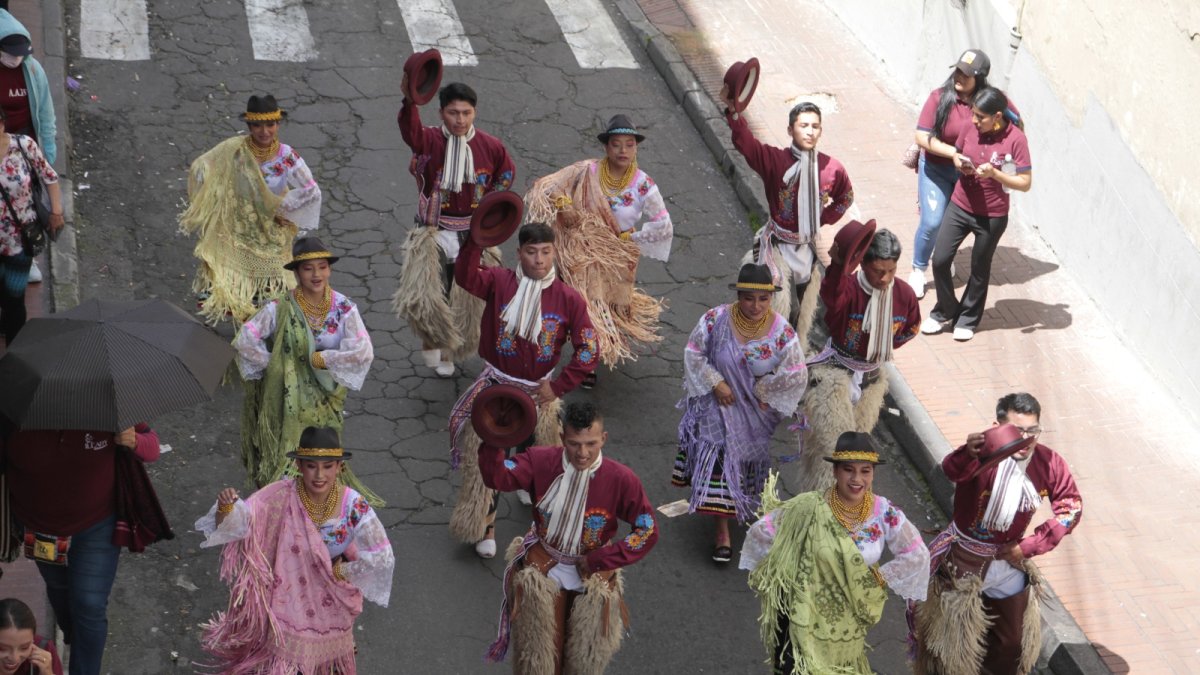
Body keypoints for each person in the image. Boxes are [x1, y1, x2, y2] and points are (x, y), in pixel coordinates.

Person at [448, 221, 598, 558]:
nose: (539, 260)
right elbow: (465, 277)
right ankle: (485, 524)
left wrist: (557, 386)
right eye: (532, 252)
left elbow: (588, 350)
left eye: (546, 252)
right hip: (497, 388)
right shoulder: (499, 281)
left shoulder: (569, 299)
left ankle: (541, 524)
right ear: (520, 253)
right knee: (488, 456)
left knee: (540, 460)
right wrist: (475, 241)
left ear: (554, 252)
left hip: (537, 395)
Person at [196, 426, 394, 674]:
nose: (319, 475)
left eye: (328, 466)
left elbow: (383, 556)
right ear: (299, 465)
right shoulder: (279, 495)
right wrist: (227, 507)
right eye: (311, 465)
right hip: (288, 598)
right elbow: (243, 522)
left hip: (333, 595)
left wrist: (342, 571)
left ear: (340, 468)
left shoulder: (353, 504)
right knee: (289, 663)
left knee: (327, 665)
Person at [478, 402, 658, 674]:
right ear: (562, 438)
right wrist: (495, 438)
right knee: (539, 660)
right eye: (574, 444)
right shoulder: (539, 460)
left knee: (583, 662)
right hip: (543, 570)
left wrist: (601, 558)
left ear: (604, 439)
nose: (583, 453)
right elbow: (499, 477)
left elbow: (647, 530)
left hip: (593, 576)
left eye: (591, 443)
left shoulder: (622, 479)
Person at [911, 393, 1082, 675]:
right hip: (962, 563)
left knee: (1011, 644)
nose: (1026, 439)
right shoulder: (980, 456)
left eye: (1033, 431)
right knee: (949, 650)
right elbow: (952, 470)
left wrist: (1029, 546)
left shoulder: (1049, 462)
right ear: (997, 426)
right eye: (1018, 430)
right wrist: (968, 451)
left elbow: (1071, 506)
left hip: (1008, 561)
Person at [739, 432, 930, 674]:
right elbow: (761, 532)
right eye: (848, 469)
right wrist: (790, 572)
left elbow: (917, 554)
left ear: (873, 473)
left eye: (865, 471)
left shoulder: (884, 513)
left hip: (847, 621)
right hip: (803, 612)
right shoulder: (808, 506)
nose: (857, 479)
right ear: (835, 471)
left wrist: (876, 578)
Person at [672, 263, 807, 562]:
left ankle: (737, 507)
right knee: (719, 459)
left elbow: (796, 372)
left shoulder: (782, 332)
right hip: (716, 407)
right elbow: (693, 352)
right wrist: (715, 382)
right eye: (748, 298)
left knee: (741, 466)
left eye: (763, 299)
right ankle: (722, 530)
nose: (756, 306)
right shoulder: (715, 319)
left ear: (771, 299)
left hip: (753, 414)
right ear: (738, 295)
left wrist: (765, 393)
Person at [1, 423, 160, 675]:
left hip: (97, 524)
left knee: (89, 605)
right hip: (40, 527)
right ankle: (78, 638)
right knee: (61, 592)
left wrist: (134, 441)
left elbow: (152, 447)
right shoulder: (15, 407)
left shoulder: (104, 403)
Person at [524, 115, 672, 382]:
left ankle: (593, 349)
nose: (623, 150)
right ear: (607, 147)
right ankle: (586, 362)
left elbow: (663, 225)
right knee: (584, 306)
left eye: (629, 145)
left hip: (616, 256)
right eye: (616, 144)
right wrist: (563, 205)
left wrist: (630, 239)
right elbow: (550, 185)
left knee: (606, 308)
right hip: (580, 253)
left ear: (636, 148)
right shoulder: (587, 171)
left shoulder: (644, 185)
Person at [234, 236, 380, 505]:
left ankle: (317, 517)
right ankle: (282, 512)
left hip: (324, 402)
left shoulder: (344, 308)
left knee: (321, 463)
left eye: (322, 267)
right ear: (297, 273)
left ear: (329, 270)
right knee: (285, 458)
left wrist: (323, 359)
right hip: (284, 403)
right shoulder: (280, 307)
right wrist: (277, 364)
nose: (316, 274)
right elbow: (245, 339)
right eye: (308, 268)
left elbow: (362, 351)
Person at [395, 80, 515, 378]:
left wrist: (490, 207)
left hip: (472, 236)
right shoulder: (429, 141)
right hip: (432, 232)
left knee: (463, 293)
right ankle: (431, 338)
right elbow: (410, 131)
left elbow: (506, 175)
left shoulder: (491, 146)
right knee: (428, 295)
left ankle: (448, 348)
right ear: (441, 114)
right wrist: (410, 101)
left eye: (466, 113)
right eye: (453, 113)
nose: (460, 120)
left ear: (474, 113)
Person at [719, 87, 854, 341]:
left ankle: (790, 357)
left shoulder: (832, 169)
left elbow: (846, 197)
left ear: (821, 131)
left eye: (815, 126)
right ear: (790, 130)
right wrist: (735, 114)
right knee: (772, 309)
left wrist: (820, 220)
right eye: (803, 125)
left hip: (806, 251)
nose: (810, 131)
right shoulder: (774, 160)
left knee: (800, 313)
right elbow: (748, 145)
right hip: (777, 249)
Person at [794, 228, 920, 494]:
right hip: (833, 378)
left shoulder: (905, 295)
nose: (885, 278)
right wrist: (839, 264)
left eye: (891, 271)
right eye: (878, 272)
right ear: (863, 264)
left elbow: (911, 328)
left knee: (856, 459)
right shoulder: (847, 288)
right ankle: (817, 507)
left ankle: (845, 515)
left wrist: (882, 347)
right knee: (833, 455)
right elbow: (831, 294)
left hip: (871, 382)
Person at [179, 94, 322, 324]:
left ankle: (264, 322)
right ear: (249, 126)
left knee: (273, 277)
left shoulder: (286, 156)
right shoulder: (235, 151)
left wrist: (282, 209)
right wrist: (216, 193)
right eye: (257, 125)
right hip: (238, 225)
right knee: (235, 272)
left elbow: (311, 190)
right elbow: (201, 168)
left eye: (270, 124)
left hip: (271, 229)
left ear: (278, 124)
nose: (264, 131)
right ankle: (242, 316)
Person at [920, 87, 1031, 342]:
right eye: (974, 114)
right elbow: (958, 153)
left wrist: (995, 174)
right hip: (960, 205)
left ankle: (968, 319)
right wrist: (959, 163)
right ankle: (946, 310)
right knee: (940, 260)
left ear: (998, 116)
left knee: (979, 269)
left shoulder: (1016, 139)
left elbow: (1024, 182)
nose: (974, 121)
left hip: (991, 215)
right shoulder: (971, 128)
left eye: (981, 117)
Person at [909, 49, 1013, 299]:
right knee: (932, 222)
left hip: (968, 176)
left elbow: (1016, 124)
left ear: (980, 78)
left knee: (949, 225)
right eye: (957, 71)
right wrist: (953, 154)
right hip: (936, 169)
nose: (959, 77)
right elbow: (922, 136)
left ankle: (943, 257)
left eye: (966, 74)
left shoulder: (992, 101)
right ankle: (918, 268)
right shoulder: (939, 98)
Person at [0, 10, 59, 286]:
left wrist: (48, 152)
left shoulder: (33, 71)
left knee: (27, 204)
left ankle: (26, 255)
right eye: (10, 53)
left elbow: (46, 115)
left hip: (25, 148)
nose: (16, 59)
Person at [0, 107, 61, 345]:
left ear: (3, 123)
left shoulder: (24, 146)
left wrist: (57, 211)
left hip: (20, 238)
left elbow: (50, 176)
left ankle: (13, 352)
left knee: (15, 297)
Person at [0, 598, 63, 675]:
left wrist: (47, 672)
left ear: (33, 640)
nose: (14, 658)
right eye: (2, 648)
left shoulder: (44, 648)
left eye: (24, 647)